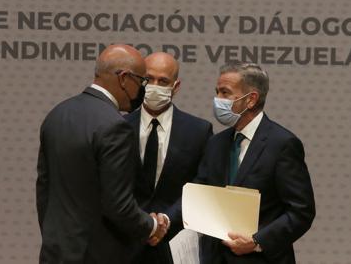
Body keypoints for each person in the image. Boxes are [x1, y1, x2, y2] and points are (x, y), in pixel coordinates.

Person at [36, 44, 168, 264]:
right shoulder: (115, 126)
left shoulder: (57, 114)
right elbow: (118, 206)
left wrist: (56, 239)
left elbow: (44, 189)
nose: (143, 90)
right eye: (142, 81)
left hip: (55, 252)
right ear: (124, 78)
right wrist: (153, 226)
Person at [195, 61, 316, 264]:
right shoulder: (216, 143)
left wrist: (256, 241)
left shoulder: (283, 144)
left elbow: (301, 211)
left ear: (251, 100)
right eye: (217, 92)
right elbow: (200, 191)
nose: (218, 100)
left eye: (225, 93)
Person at [124, 52, 213, 264]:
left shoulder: (198, 131)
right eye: (148, 79)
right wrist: (141, 223)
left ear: (176, 85)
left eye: (163, 81)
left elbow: (202, 184)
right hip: (125, 242)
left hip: (174, 242)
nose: (154, 85)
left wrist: (164, 221)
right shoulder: (118, 127)